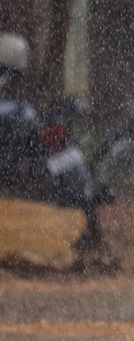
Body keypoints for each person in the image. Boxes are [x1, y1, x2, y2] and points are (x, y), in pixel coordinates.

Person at [0, 33, 109, 260]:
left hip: (20, 164)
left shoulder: (17, 99)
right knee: (71, 162)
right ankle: (90, 230)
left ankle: (89, 228)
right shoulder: (17, 102)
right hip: (23, 166)